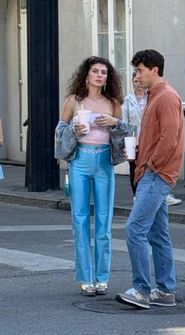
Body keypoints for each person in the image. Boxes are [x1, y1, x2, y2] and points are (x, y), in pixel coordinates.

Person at [116, 49, 185, 309]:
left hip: (156, 174)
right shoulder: (155, 96)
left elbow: (170, 138)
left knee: (134, 229)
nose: (137, 75)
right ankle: (166, 291)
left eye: (140, 70)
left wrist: (151, 165)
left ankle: (142, 290)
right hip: (150, 172)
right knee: (158, 234)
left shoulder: (166, 96)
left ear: (154, 69)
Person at [56, 56, 127, 296]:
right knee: (80, 218)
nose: (99, 75)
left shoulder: (113, 102)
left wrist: (115, 122)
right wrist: (74, 130)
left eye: (104, 72)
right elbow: (59, 130)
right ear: (86, 75)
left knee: (104, 221)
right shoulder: (73, 100)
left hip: (104, 160)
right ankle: (85, 277)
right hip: (80, 160)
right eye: (95, 71)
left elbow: (124, 132)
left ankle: (102, 278)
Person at [123, 73, 182, 206]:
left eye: (139, 80)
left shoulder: (153, 97)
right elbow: (124, 121)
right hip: (134, 137)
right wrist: (126, 140)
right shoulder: (128, 100)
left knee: (152, 170)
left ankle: (160, 196)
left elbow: (168, 135)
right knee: (134, 167)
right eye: (135, 81)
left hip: (150, 139)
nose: (138, 83)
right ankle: (137, 195)